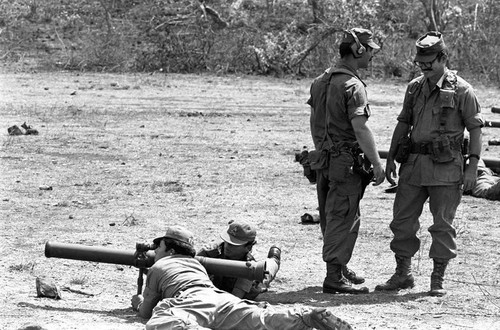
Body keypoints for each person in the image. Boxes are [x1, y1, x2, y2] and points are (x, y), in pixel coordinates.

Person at [375, 31, 484, 297]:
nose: (424, 66)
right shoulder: (414, 88)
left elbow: (476, 130)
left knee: (442, 224)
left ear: (443, 58)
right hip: (413, 165)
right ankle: (403, 274)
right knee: (402, 222)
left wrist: (472, 167)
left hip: (446, 168)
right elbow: (403, 123)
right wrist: (390, 158)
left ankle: (437, 279)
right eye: (420, 61)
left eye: (430, 61)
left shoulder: (462, 90)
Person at [131, 225, 353, 330]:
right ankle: (303, 316)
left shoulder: (161, 265)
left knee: (161, 319)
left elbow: (145, 312)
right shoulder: (199, 260)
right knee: (259, 319)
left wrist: (139, 302)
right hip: (220, 298)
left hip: (191, 300)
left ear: (170, 251)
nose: (154, 251)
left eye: (157, 247)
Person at [306, 28, 385, 294]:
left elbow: (314, 121)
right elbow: (361, 129)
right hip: (345, 163)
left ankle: (339, 267)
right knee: (342, 215)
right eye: (369, 49)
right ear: (357, 50)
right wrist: (376, 163)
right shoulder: (353, 85)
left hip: (324, 160)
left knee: (334, 214)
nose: (372, 54)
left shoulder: (320, 81)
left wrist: (324, 149)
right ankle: (333, 276)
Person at [196, 220, 281, 300]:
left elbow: (235, 299)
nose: (227, 247)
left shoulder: (251, 265)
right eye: (227, 241)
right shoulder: (209, 252)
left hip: (240, 291)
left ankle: (274, 259)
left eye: (233, 245)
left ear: (248, 247)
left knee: (267, 272)